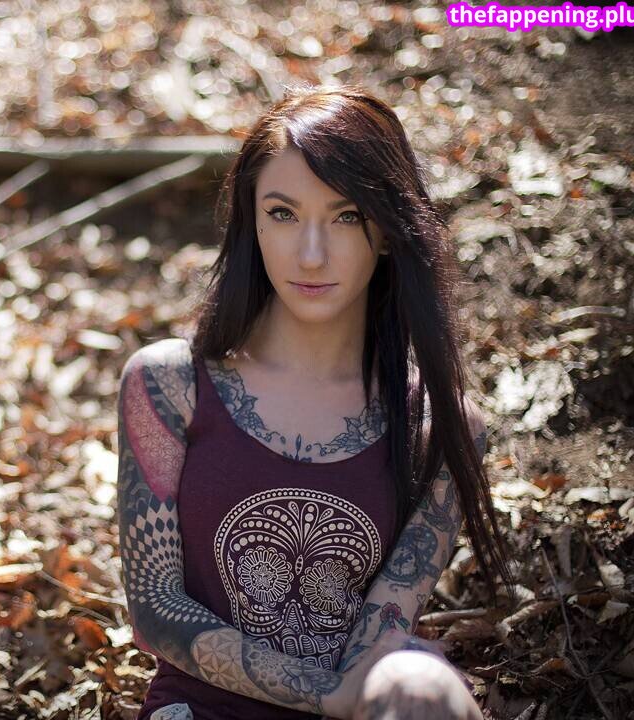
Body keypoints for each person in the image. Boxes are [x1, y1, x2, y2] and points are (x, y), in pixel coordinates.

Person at [114, 84, 515, 720]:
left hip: (359, 708)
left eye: (346, 216)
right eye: (283, 214)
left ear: (388, 231)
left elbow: (383, 632)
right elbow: (156, 610)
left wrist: (359, 696)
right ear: (252, 223)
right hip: (199, 710)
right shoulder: (170, 385)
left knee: (424, 684)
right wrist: (328, 694)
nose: (311, 253)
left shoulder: (439, 427)